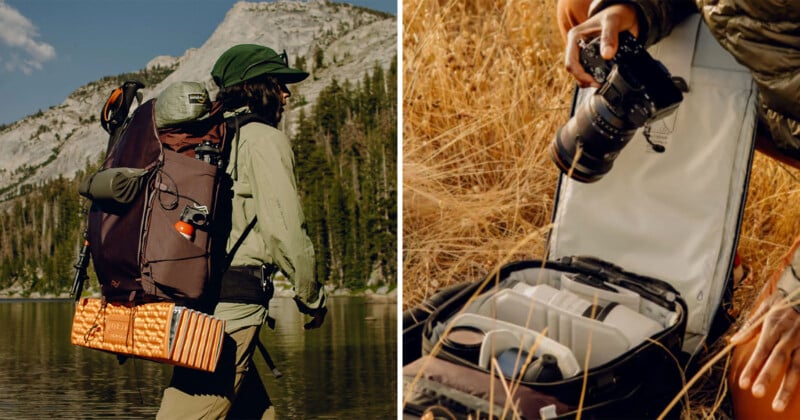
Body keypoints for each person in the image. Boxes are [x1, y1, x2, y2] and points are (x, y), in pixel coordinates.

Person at [556, 0, 800, 415]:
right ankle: (715, 264)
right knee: (586, 14)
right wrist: (632, 10)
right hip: (766, 83)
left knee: (770, 396)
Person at [157, 44, 327, 419]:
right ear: (258, 87)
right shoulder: (263, 139)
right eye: (280, 84)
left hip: (199, 300)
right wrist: (311, 294)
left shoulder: (212, 141)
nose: (286, 94)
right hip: (232, 310)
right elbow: (284, 228)